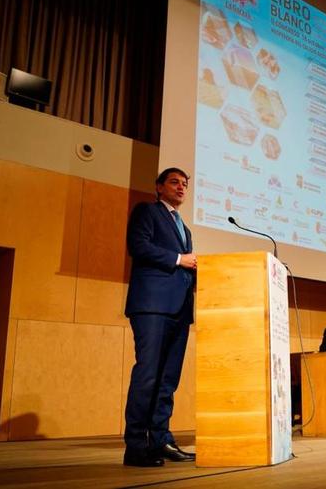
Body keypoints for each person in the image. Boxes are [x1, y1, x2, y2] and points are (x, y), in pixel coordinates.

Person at [123, 168, 198, 467]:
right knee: (148, 375)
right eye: (174, 182)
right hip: (152, 306)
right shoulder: (147, 212)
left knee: (168, 380)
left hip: (179, 309)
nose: (181, 188)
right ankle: (136, 446)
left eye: (185, 184)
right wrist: (180, 260)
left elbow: (185, 266)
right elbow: (138, 247)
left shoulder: (185, 229)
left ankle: (161, 440)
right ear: (159, 187)